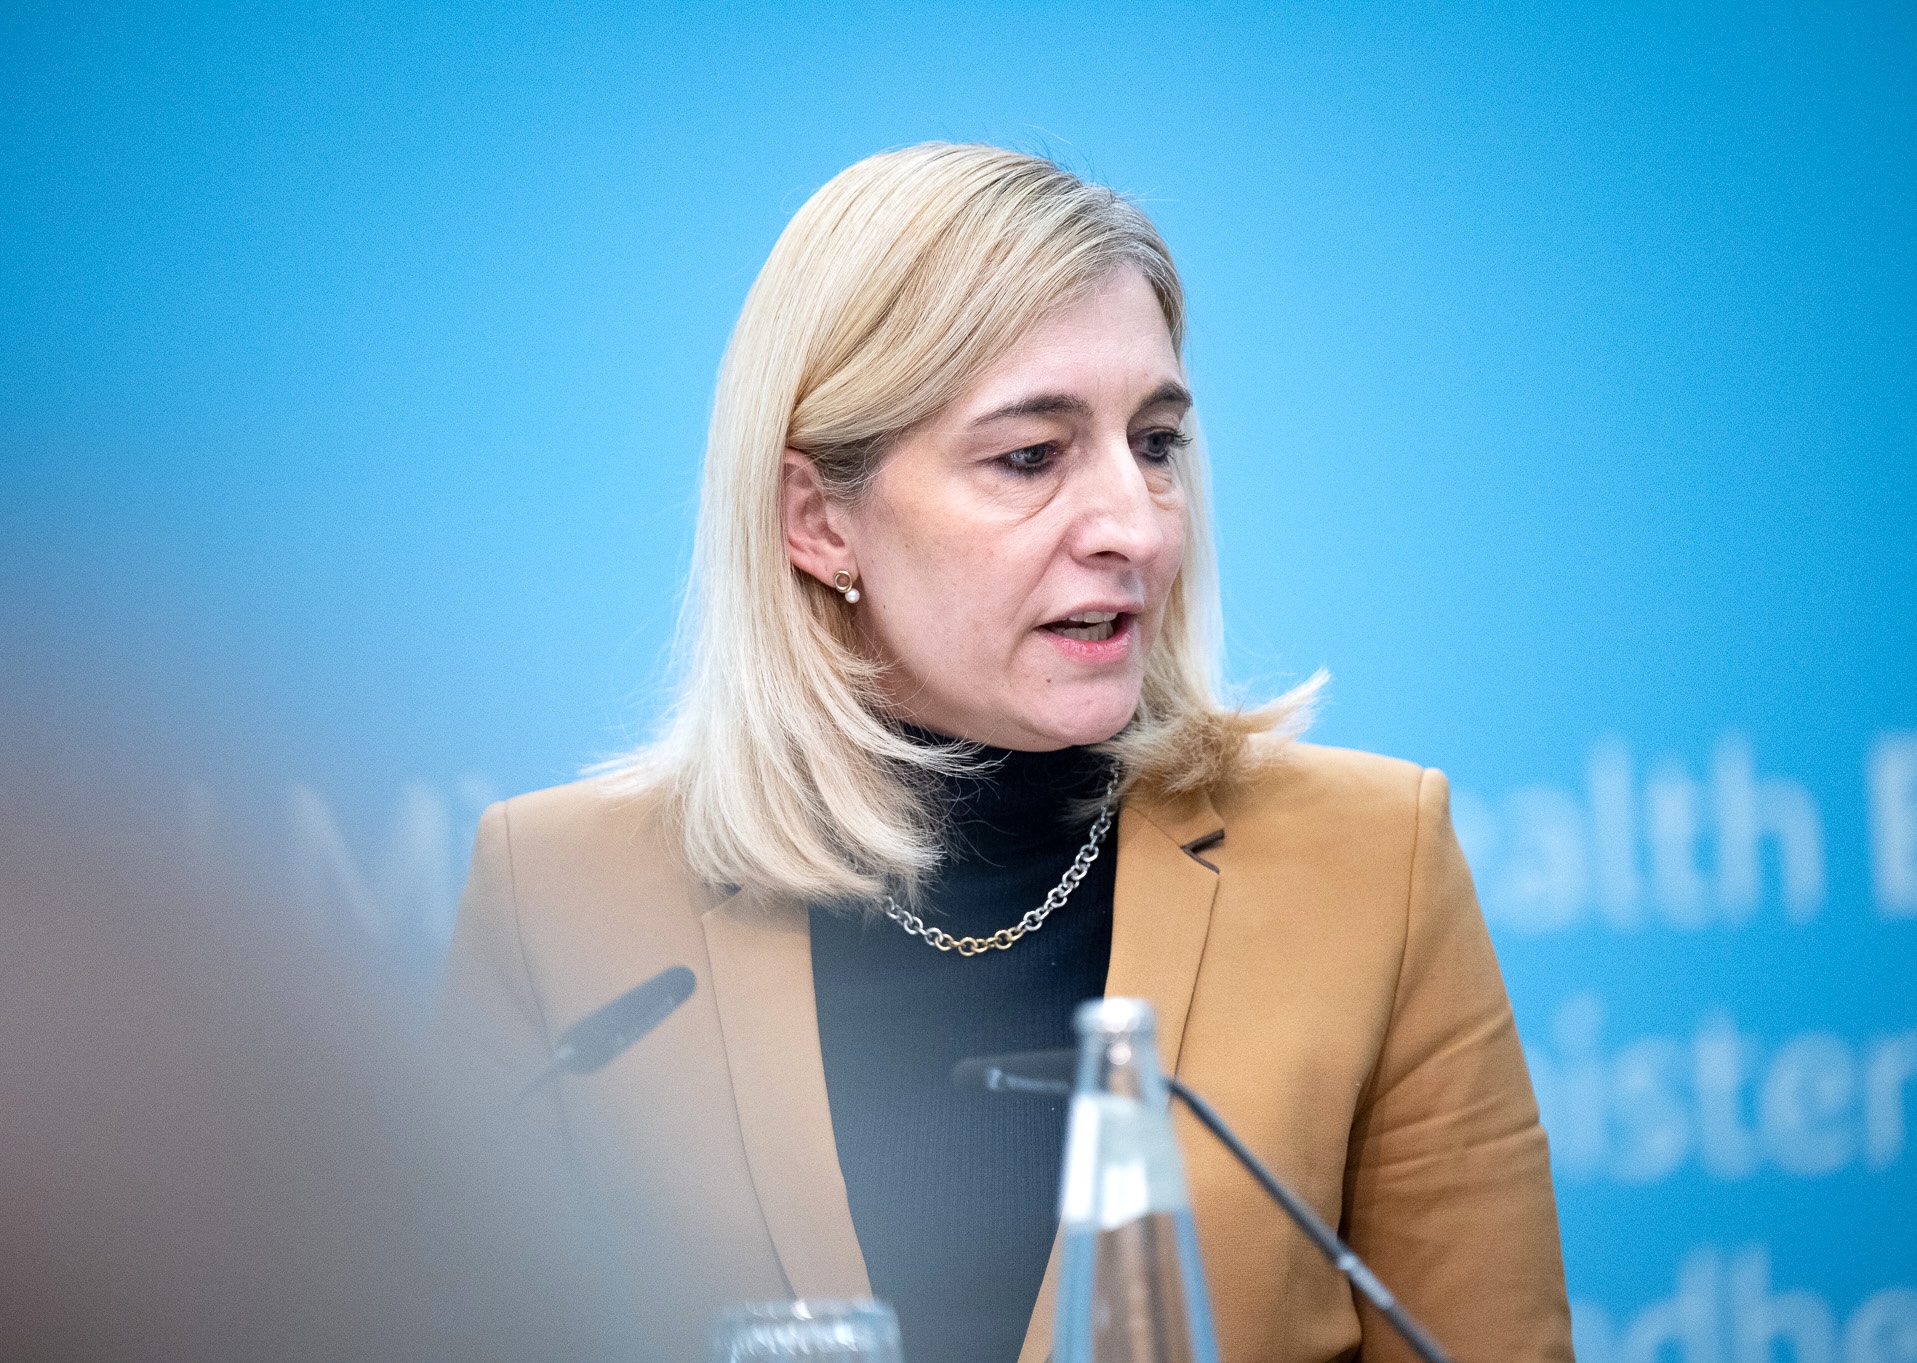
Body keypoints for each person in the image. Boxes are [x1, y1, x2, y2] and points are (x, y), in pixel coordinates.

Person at [439, 142, 1573, 1363]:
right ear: (817, 520)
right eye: (1030, 456)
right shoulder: (555, 897)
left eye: (1154, 443)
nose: (1135, 527)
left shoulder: (1372, 866)